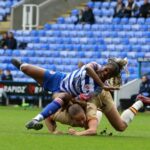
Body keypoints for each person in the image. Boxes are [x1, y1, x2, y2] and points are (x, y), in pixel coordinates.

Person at [11, 58, 126, 130]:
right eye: (106, 69)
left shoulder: (97, 89)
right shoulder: (95, 66)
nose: (105, 73)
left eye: (108, 74)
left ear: (110, 77)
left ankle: (36, 120)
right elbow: (87, 69)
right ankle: (21, 65)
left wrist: (74, 100)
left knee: (63, 97)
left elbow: (84, 98)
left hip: (65, 92)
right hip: (59, 78)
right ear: (104, 66)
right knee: (26, 68)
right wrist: (102, 84)